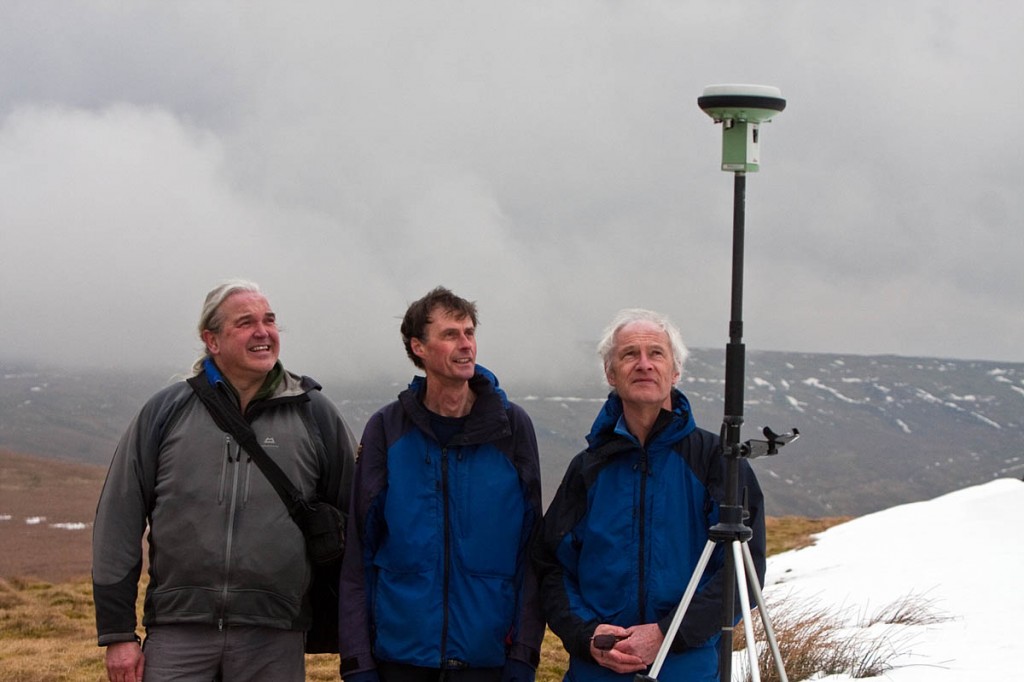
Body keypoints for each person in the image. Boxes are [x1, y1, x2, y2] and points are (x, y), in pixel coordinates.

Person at [92, 279, 357, 682]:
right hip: (177, 629)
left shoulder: (315, 413)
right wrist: (117, 633)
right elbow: (118, 519)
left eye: (269, 321)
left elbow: (357, 520)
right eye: (246, 322)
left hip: (276, 633)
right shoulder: (166, 412)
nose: (263, 332)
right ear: (211, 340)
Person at [534, 308, 766, 681]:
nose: (644, 364)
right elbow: (551, 567)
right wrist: (587, 635)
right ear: (611, 373)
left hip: (688, 669)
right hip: (597, 669)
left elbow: (743, 572)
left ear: (675, 371)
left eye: (656, 353)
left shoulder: (716, 461)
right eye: (629, 354)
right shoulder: (587, 468)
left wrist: (665, 634)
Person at [339, 286, 544, 682]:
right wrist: (357, 661)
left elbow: (532, 548)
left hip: (490, 660)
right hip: (401, 660)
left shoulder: (512, 427)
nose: (466, 344)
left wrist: (524, 653)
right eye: (451, 334)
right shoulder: (386, 428)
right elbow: (359, 553)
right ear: (418, 346)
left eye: (469, 333)